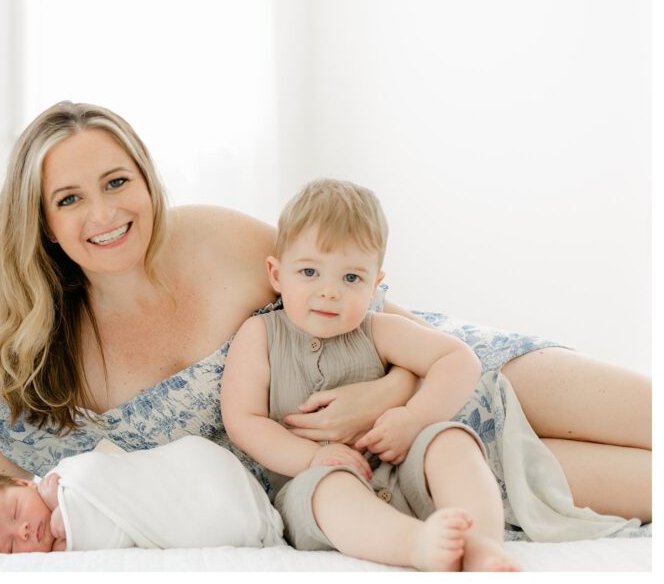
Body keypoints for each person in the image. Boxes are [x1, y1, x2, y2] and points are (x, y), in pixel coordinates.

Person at [0, 102, 650, 560]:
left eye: (117, 180)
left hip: (451, 372)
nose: (105, 212)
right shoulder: (48, 360)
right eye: (71, 198)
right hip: (405, 467)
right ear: (42, 223)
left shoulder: (216, 237)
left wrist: (395, 389)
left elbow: (352, 297)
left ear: (148, 180)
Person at [222, 178, 521, 570]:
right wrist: (313, 457)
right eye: (310, 272)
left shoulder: (377, 329)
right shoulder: (260, 334)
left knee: (449, 441)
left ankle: (481, 544)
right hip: (316, 482)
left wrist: (415, 418)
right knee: (330, 489)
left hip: (402, 474)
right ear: (277, 275)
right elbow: (244, 420)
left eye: (351, 278)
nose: (330, 291)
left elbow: (459, 359)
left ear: (375, 284)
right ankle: (417, 545)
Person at [0, 436, 284, 553]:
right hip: (182, 519)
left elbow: (101, 472)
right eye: (12, 546)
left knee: (197, 465)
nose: (24, 531)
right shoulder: (57, 548)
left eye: (15, 514)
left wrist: (65, 505)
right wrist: (67, 532)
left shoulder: (64, 477)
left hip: (193, 470)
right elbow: (110, 531)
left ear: (22, 484)